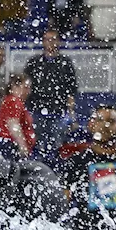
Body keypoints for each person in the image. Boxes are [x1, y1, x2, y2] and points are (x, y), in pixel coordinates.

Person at [56, 103, 116, 230]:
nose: (106, 126)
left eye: (111, 121)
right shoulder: (77, 161)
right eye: (101, 120)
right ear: (91, 124)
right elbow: (62, 201)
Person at [25, 29, 79, 163]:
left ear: (58, 41)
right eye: (47, 39)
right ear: (43, 41)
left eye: (53, 39)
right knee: (36, 145)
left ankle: (56, 171)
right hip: (36, 110)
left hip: (58, 112)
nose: (50, 42)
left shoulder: (65, 63)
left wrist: (72, 116)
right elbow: (25, 88)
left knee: (58, 147)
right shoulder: (34, 62)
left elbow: (70, 91)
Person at [0, 73, 35, 158]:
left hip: (10, 144)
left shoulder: (12, 101)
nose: (28, 92)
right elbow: (13, 124)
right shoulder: (13, 101)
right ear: (15, 87)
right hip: (11, 145)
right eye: (25, 88)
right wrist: (22, 145)